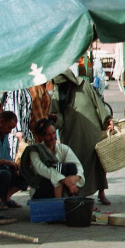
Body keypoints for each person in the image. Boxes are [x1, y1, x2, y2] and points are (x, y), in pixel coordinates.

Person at [50, 69, 114, 204]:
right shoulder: (58, 93)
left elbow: (98, 104)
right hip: (72, 134)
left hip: (92, 131)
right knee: (75, 164)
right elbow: (58, 117)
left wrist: (107, 119)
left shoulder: (84, 85)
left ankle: (102, 192)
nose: (62, 86)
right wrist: (55, 119)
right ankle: (79, 193)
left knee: (98, 163)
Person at [20, 119, 85, 199]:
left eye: (54, 133)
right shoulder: (35, 151)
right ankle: (59, 202)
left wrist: (76, 178)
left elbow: (77, 165)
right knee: (59, 167)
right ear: (41, 137)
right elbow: (41, 169)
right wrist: (62, 179)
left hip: (64, 186)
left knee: (71, 167)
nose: (53, 137)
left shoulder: (63, 148)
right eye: (48, 135)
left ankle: (72, 200)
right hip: (43, 187)